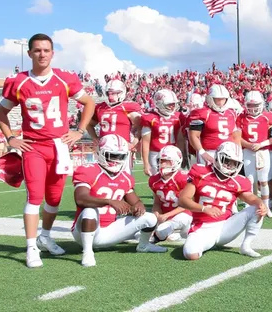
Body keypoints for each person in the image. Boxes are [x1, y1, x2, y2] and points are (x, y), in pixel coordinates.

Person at [0, 33, 96, 268]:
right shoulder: (18, 82)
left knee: (54, 199)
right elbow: (1, 112)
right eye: (37, 50)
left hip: (59, 146)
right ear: (29, 53)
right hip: (34, 147)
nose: (42, 54)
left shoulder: (64, 78)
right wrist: (11, 138)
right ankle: (31, 247)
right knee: (34, 196)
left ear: (52, 53)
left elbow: (89, 102)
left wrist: (79, 131)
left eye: (46, 50)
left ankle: (45, 236)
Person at [72, 134, 167, 268]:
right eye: (112, 155)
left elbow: (136, 201)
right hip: (83, 232)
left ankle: (144, 245)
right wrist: (109, 201)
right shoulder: (88, 170)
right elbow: (80, 199)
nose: (116, 160)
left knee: (150, 218)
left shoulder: (125, 177)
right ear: (100, 152)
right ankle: (87, 252)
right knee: (89, 211)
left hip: (110, 231)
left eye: (120, 156)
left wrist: (138, 207)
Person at [179, 141, 267, 260]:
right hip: (203, 226)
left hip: (226, 226)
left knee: (258, 207)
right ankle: (207, 243)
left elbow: (250, 197)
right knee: (191, 254)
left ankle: (246, 245)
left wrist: (260, 203)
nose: (230, 165)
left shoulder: (238, 181)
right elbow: (183, 200)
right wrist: (204, 209)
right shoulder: (201, 172)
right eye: (227, 160)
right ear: (218, 157)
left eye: (234, 163)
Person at [237, 90, 272, 217]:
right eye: (250, 105)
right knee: (249, 180)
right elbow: (237, 137)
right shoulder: (241, 118)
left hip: (263, 152)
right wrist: (249, 145)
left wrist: (260, 144)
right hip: (248, 152)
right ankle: (249, 206)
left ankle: (266, 207)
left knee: (263, 180)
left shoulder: (267, 117)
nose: (253, 108)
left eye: (256, 105)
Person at [87, 79, 142, 173]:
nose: (111, 96)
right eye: (109, 93)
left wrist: (133, 143)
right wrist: (94, 138)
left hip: (122, 149)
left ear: (121, 93)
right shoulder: (100, 107)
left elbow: (141, 126)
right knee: (103, 178)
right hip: (104, 148)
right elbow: (89, 124)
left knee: (125, 177)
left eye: (114, 93)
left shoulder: (127, 107)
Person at [148, 145, 193, 242]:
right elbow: (157, 203)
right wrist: (157, 214)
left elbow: (186, 205)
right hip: (165, 216)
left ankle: (178, 232)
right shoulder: (154, 180)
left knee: (163, 230)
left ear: (176, 161)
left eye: (166, 161)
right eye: (161, 160)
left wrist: (166, 215)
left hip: (183, 214)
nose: (162, 164)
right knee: (146, 224)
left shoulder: (183, 178)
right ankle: (169, 232)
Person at [188, 84, 240, 165]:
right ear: (210, 99)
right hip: (209, 152)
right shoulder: (202, 113)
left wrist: (238, 151)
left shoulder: (231, 113)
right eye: (217, 99)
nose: (220, 103)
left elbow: (235, 135)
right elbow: (193, 136)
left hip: (228, 153)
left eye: (223, 99)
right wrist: (202, 153)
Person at [141, 89, 182, 176]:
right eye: (169, 104)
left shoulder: (178, 117)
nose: (172, 107)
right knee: (158, 181)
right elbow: (145, 142)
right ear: (159, 104)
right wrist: (146, 163)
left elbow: (181, 139)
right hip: (156, 154)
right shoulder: (150, 118)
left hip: (173, 154)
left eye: (173, 104)